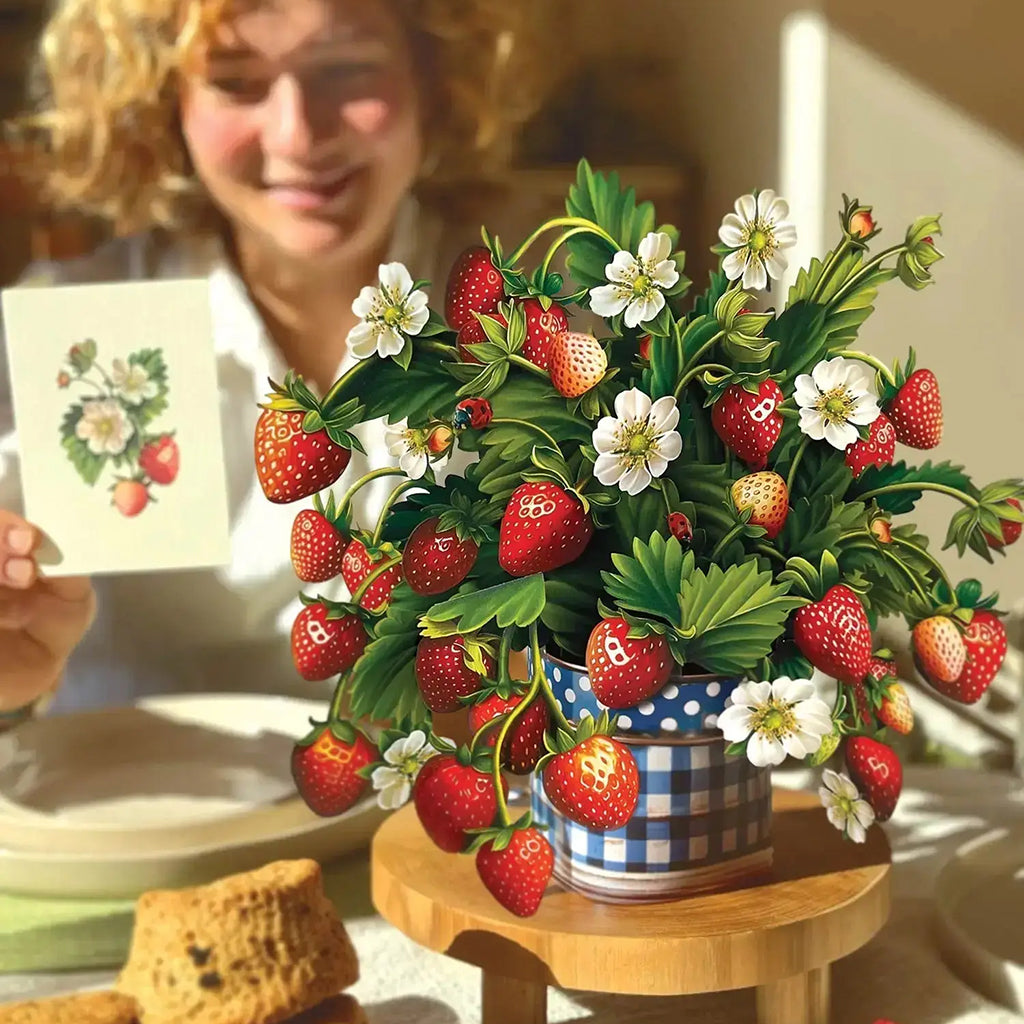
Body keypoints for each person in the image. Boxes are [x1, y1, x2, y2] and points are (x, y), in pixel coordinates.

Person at [0, 0, 553, 722]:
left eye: (346, 69)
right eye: (235, 82)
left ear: (434, 78)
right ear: (165, 105)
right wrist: (10, 690)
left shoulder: (554, 321)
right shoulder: (68, 335)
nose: (298, 133)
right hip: (124, 790)